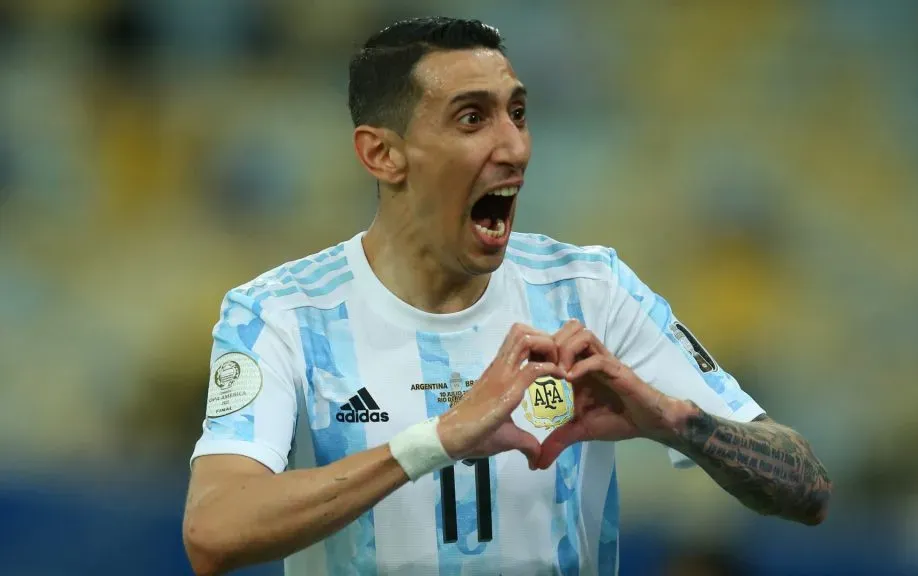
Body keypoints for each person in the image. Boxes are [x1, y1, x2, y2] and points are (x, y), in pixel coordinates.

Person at [182, 16, 832, 576]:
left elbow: (806, 486)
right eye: (473, 118)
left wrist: (671, 418)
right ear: (382, 155)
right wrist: (436, 439)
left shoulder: (590, 293)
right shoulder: (283, 314)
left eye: (517, 114)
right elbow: (213, 532)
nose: (514, 146)